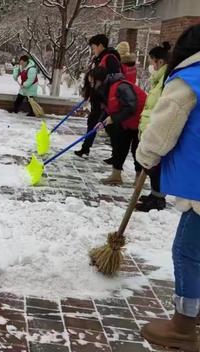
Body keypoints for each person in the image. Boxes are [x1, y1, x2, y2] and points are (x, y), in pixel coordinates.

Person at [136, 26, 200, 352]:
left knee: (187, 252)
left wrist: (146, 155)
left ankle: (184, 327)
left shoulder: (190, 78)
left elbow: (164, 127)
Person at [91, 66, 146, 185]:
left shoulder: (121, 86)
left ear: (99, 80)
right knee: (119, 145)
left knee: (136, 149)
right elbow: (108, 108)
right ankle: (116, 175)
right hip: (125, 120)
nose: (91, 83)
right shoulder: (105, 89)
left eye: (92, 80)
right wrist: (100, 122)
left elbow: (131, 106)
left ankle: (138, 178)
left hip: (140, 120)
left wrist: (113, 118)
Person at [136, 42, 171, 212]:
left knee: (155, 167)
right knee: (150, 166)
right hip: (149, 127)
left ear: (160, 62)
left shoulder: (167, 81)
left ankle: (158, 199)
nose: (150, 65)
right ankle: (154, 194)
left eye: (152, 62)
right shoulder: (158, 80)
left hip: (156, 129)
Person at [74, 34, 121, 158]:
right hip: (97, 98)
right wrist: (89, 93)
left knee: (109, 128)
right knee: (93, 123)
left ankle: (116, 156)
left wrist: (106, 99)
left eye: (94, 47)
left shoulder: (110, 58)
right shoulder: (99, 58)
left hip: (104, 100)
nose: (93, 50)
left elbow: (114, 79)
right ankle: (85, 148)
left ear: (101, 45)